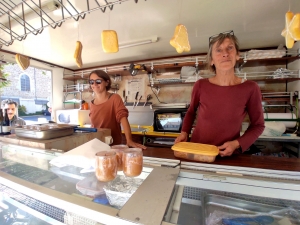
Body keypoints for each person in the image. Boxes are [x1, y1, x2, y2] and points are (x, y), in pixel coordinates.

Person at [175, 30, 265, 157]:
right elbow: (191, 112)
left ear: (237, 55)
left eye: (230, 48)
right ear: (211, 60)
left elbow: (258, 125)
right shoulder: (200, 85)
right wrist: (184, 133)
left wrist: (236, 143)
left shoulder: (251, 88)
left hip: (228, 155)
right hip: (197, 152)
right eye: (219, 50)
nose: (225, 54)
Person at [89, 70, 146, 149]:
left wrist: (129, 140)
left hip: (112, 147)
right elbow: (94, 127)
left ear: (106, 82)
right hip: (96, 146)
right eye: (91, 81)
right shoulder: (91, 103)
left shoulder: (114, 98)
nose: (94, 84)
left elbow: (123, 118)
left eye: (98, 81)